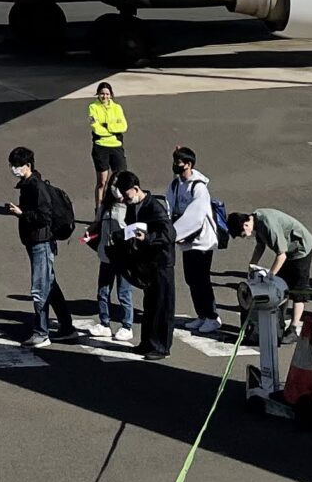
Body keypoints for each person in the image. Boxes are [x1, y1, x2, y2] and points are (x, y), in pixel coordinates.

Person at [0, 145, 76, 348]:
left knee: (40, 288)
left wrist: (21, 214)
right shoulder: (29, 184)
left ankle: (41, 333)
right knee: (50, 284)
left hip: (41, 242)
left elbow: (44, 217)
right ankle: (67, 327)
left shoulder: (36, 187)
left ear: (28, 165)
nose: (13, 169)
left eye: (17, 165)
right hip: (36, 241)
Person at [112, 173, 175, 359]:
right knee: (150, 305)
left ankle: (161, 347)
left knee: (162, 306)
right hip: (148, 262)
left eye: (126, 194)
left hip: (162, 263)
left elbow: (170, 234)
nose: (125, 199)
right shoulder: (135, 206)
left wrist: (148, 238)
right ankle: (147, 342)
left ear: (137, 189)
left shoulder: (154, 207)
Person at [229, 209, 312, 342]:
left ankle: (293, 329)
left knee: (298, 292)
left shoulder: (267, 225)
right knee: (281, 287)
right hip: (288, 250)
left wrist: (270, 276)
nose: (245, 237)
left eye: (242, 234)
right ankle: (279, 324)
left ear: (246, 225)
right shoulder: (256, 220)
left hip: (300, 249)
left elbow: (281, 255)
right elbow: (260, 245)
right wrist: (252, 264)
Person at [166, 147, 221, 336]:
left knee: (201, 279)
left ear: (188, 164)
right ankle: (202, 314)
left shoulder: (199, 187)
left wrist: (174, 233)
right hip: (186, 239)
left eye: (179, 162)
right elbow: (169, 208)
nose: (175, 165)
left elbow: (196, 215)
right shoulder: (175, 185)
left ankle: (212, 317)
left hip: (202, 241)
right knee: (191, 278)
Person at [92, 190, 136, 344]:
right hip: (106, 255)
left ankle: (127, 326)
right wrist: (89, 235)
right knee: (102, 291)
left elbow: (136, 230)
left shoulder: (131, 207)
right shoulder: (105, 206)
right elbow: (96, 224)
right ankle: (104, 323)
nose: (117, 190)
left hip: (123, 257)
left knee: (124, 292)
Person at [87, 81, 128, 198]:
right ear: (98, 94)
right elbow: (96, 128)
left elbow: (123, 126)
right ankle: (99, 210)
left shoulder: (117, 108)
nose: (104, 96)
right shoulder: (92, 107)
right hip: (101, 146)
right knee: (102, 182)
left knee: (120, 178)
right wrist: (113, 128)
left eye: (107, 94)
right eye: (102, 94)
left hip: (116, 145)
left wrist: (107, 125)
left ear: (111, 95)